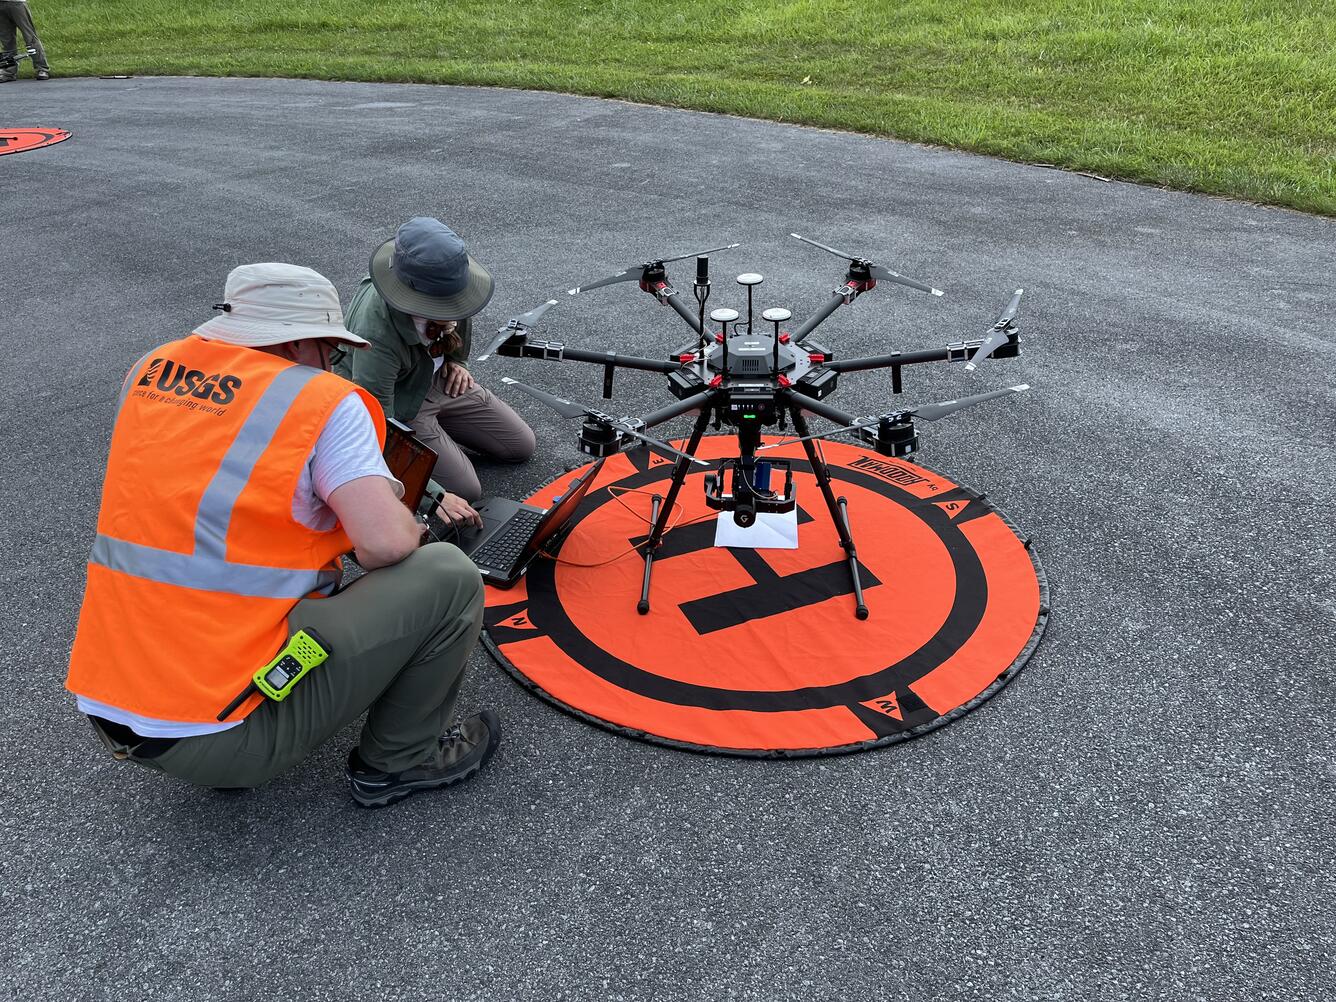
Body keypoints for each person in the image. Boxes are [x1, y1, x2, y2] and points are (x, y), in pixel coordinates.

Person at [65, 263, 500, 809]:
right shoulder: (322, 402)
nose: (333, 365)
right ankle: (400, 760)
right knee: (448, 575)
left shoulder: (150, 371)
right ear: (300, 344)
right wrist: (392, 509)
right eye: (330, 351)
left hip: (114, 705)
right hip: (223, 731)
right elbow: (386, 545)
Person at [336, 217, 536, 520]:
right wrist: (432, 495)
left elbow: (458, 325)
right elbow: (376, 426)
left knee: (520, 446)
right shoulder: (376, 333)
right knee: (467, 490)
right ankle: (429, 437)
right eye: (443, 307)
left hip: (439, 381)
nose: (454, 310)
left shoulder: (450, 287)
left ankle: (439, 438)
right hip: (400, 403)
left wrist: (458, 363)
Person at [0, 0, 50, 81]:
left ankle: (42, 69)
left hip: (16, 3)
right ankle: (9, 72)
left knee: (29, 36)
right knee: (6, 40)